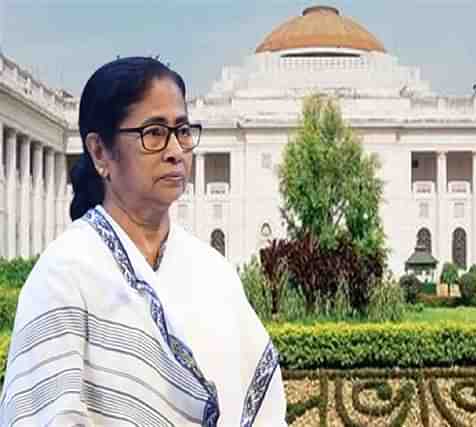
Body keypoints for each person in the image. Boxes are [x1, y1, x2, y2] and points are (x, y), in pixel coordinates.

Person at [0, 57, 287, 426]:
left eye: (182, 131)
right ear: (100, 152)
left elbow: (262, 408)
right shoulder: (66, 274)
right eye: (154, 133)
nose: (175, 150)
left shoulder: (213, 272)